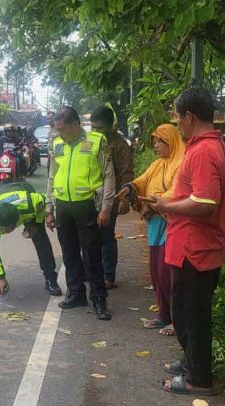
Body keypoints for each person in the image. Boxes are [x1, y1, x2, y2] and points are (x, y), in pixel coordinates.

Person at [152, 87, 225, 396]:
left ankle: (198, 378)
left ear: (189, 116)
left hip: (195, 250)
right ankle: (191, 363)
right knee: (189, 311)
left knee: (190, 315)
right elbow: (194, 195)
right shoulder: (213, 147)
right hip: (194, 246)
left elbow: (206, 202)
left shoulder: (203, 152)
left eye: (177, 116)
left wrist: (167, 207)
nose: (176, 124)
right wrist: (166, 200)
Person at [45, 107, 115, 320]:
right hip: (63, 206)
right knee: (69, 253)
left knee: (92, 255)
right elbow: (51, 176)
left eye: (63, 129)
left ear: (76, 125)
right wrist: (49, 208)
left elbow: (108, 175)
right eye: (56, 129)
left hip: (87, 206)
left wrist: (106, 208)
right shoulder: (57, 144)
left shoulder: (96, 141)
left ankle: (99, 299)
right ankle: (76, 293)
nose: (59, 134)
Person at [117, 124, 184, 337]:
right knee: (156, 271)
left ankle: (176, 320)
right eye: (155, 141)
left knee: (168, 273)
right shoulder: (158, 164)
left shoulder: (181, 163)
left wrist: (154, 203)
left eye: (160, 141)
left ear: (172, 141)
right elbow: (143, 180)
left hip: (169, 222)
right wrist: (130, 188)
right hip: (154, 223)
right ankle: (164, 315)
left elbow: (176, 191)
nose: (156, 145)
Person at [90, 106, 135, 289]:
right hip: (90, 197)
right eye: (92, 128)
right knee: (91, 238)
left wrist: (124, 199)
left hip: (111, 198)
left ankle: (109, 276)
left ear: (110, 126)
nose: (95, 131)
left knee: (107, 237)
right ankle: (92, 272)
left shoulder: (119, 145)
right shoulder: (89, 142)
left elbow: (126, 172)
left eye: (99, 128)